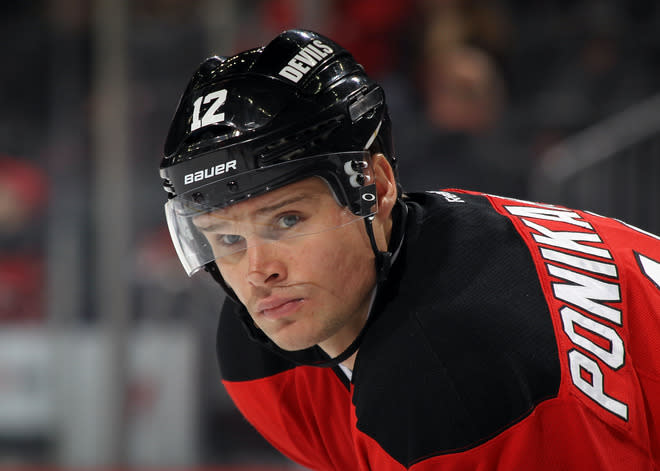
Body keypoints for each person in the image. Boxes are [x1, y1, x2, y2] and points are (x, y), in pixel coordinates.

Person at [158, 29, 660, 470]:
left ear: (374, 187)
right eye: (227, 238)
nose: (257, 271)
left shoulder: (465, 378)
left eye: (287, 219)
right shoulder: (263, 354)